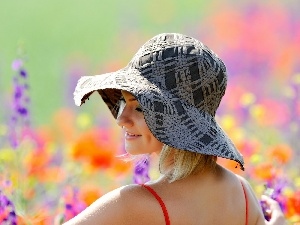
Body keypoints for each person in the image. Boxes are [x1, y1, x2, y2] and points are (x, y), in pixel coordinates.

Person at [66, 33, 286, 225]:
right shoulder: (242, 195)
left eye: (141, 107)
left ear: (175, 119)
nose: (121, 119)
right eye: (125, 103)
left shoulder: (131, 205)